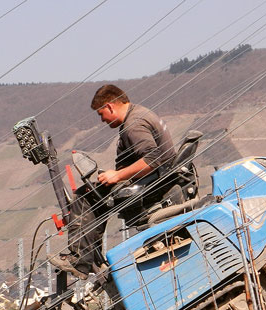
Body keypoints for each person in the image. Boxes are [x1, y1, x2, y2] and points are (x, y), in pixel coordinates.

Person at [49, 85, 176, 279]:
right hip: (156, 180)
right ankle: (89, 256)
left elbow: (152, 159)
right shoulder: (139, 114)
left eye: (101, 114)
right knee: (98, 191)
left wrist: (117, 176)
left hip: (153, 185)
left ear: (110, 106)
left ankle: (79, 261)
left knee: (85, 196)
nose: (102, 120)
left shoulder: (134, 124)